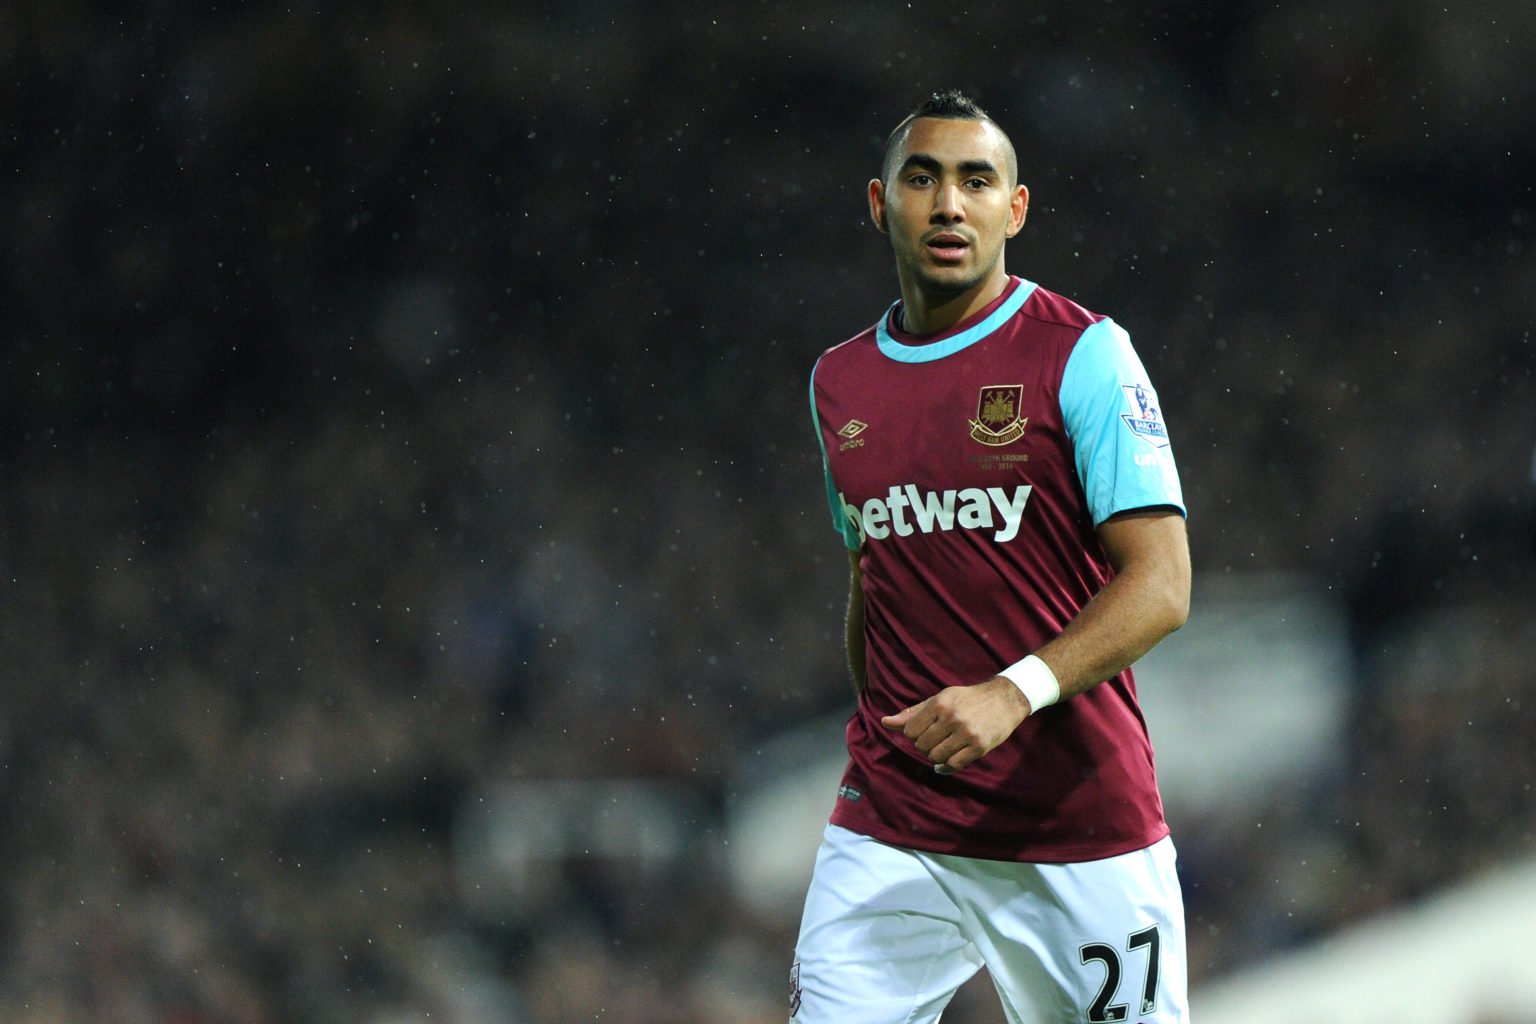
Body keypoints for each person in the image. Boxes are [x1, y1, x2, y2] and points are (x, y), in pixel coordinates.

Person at [791, 89, 1193, 1023]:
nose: (947, 205)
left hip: (1073, 819)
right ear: (879, 203)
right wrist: (892, 723)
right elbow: (872, 572)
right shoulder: (838, 382)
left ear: (1014, 208)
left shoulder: (1083, 354)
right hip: (896, 821)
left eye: (976, 181)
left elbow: (1163, 584)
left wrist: (1012, 692)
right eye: (921, 179)